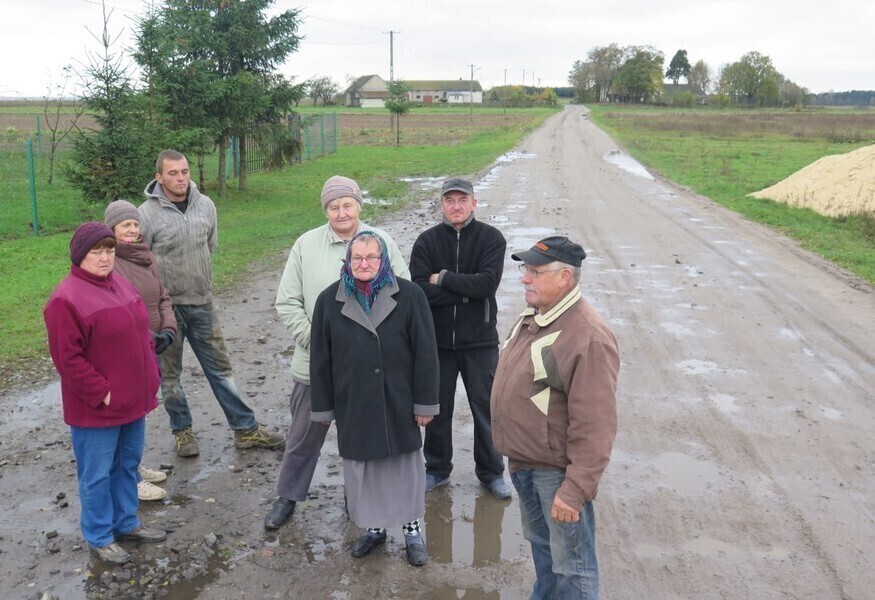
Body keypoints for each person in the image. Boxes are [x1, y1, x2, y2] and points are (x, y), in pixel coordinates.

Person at [265, 175, 409, 530]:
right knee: (302, 434)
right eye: (333, 206)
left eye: (347, 204)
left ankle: (358, 502)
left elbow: (403, 295)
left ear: (359, 205)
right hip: (315, 365)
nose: (341, 212)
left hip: (366, 369)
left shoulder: (382, 242)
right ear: (325, 210)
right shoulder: (306, 244)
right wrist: (314, 342)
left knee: (360, 438)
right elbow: (287, 301)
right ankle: (288, 495)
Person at [490, 236, 620, 599]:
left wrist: (575, 490)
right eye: (525, 270)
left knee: (573, 568)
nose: (524, 279)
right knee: (545, 553)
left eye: (535, 271)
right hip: (526, 463)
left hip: (556, 474)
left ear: (565, 278)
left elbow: (596, 425)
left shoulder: (587, 336)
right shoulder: (538, 316)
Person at [139, 149, 284, 457]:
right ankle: (183, 432)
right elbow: (143, 261)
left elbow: (210, 245)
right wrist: (157, 305)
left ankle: (245, 430)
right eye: (173, 173)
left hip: (202, 303)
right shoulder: (146, 214)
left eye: (184, 171)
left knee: (221, 369)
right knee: (170, 377)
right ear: (159, 177)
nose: (180, 178)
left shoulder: (205, 205)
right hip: (166, 310)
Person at [310, 232, 439, 566]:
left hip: (399, 400)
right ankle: (374, 529)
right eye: (357, 258)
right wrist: (324, 407)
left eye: (371, 258)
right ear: (347, 261)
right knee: (363, 471)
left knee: (404, 471)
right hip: (354, 402)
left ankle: (412, 530)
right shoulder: (329, 300)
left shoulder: (409, 295)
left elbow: (426, 352)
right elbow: (321, 360)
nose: (364, 264)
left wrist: (425, 403)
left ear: (384, 261)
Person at [44, 222, 168, 565]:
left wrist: (152, 375)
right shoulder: (65, 299)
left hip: (134, 400)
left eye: (109, 250)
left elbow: (141, 332)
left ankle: (126, 522)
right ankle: (99, 535)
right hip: (97, 407)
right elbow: (67, 359)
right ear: (79, 256)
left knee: (127, 465)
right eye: (96, 252)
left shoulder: (120, 283)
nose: (104, 258)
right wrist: (102, 393)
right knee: (96, 473)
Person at [409, 177, 511, 499]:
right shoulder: (426, 242)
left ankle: (492, 473)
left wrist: (444, 279)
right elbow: (419, 291)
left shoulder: (491, 239)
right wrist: (465, 294)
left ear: (473, 203)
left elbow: (486, 285)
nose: (455, 206)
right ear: (441, 204)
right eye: (449, 200)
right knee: (437, 411)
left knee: (487, 410)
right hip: (437, 344)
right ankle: (437, 469)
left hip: (480, 343)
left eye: (462, 200)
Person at [105, 199, 177, 502]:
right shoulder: (110, 261)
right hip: (128, 347)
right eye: (125, 225)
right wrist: (149, 336)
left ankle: (132, 465)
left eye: (135, 224)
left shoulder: (145, 256)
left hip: (153, 343)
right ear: (112, 230)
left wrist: (169, 328)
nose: (132, 230)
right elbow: (117, 308)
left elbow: (162, 294)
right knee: (125, 409)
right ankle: (129, 478)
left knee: (141, 407)